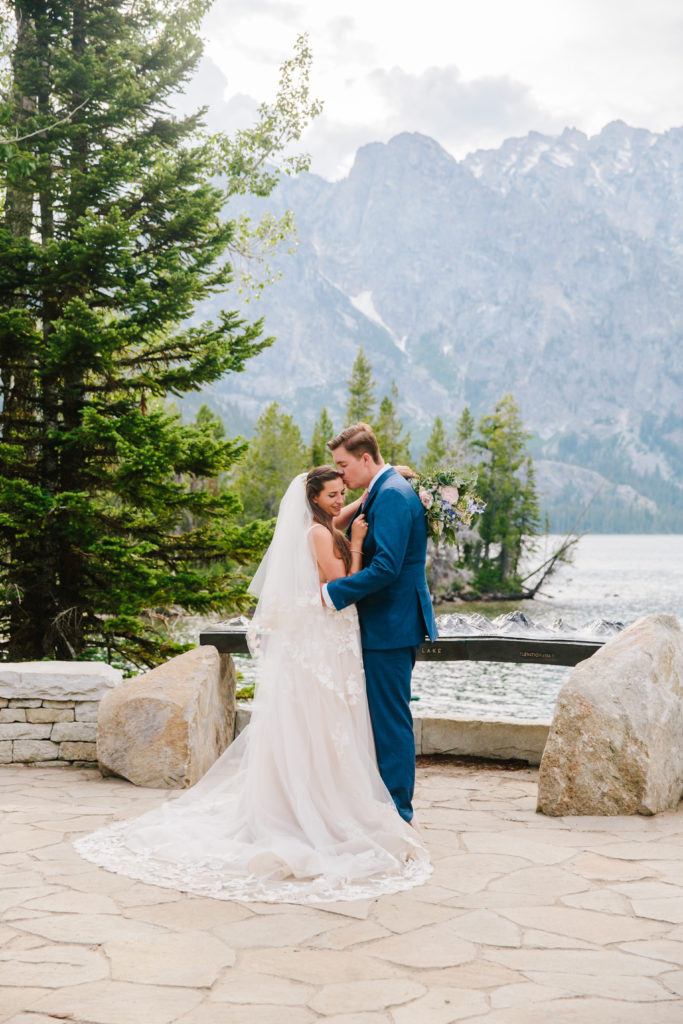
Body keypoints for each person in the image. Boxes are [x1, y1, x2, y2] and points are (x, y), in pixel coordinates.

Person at [74, 467, 431, 903]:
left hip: (326, 637)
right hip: (328, 632)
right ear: (315, 499)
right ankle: (318, 807)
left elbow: (346, 512)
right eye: (334, 495)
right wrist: (357, 544)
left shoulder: (319, 524)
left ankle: (320, 799)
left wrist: (383, 478)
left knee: (325, 719)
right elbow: (342, 584)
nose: (342, 500)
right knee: (328, 719)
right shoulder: (321, 535)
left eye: (344, 493)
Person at [324, 424, 439, 825]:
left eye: (343, 466)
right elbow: (338, 521)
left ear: (366, 459)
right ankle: (386, 806)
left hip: (392, 623)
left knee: (391, 720)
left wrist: (333, 594)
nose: (340, 475)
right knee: (385, 716)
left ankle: (398, 812)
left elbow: (387, 567)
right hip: (388, 621)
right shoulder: (383, 488)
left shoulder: (391, 494)